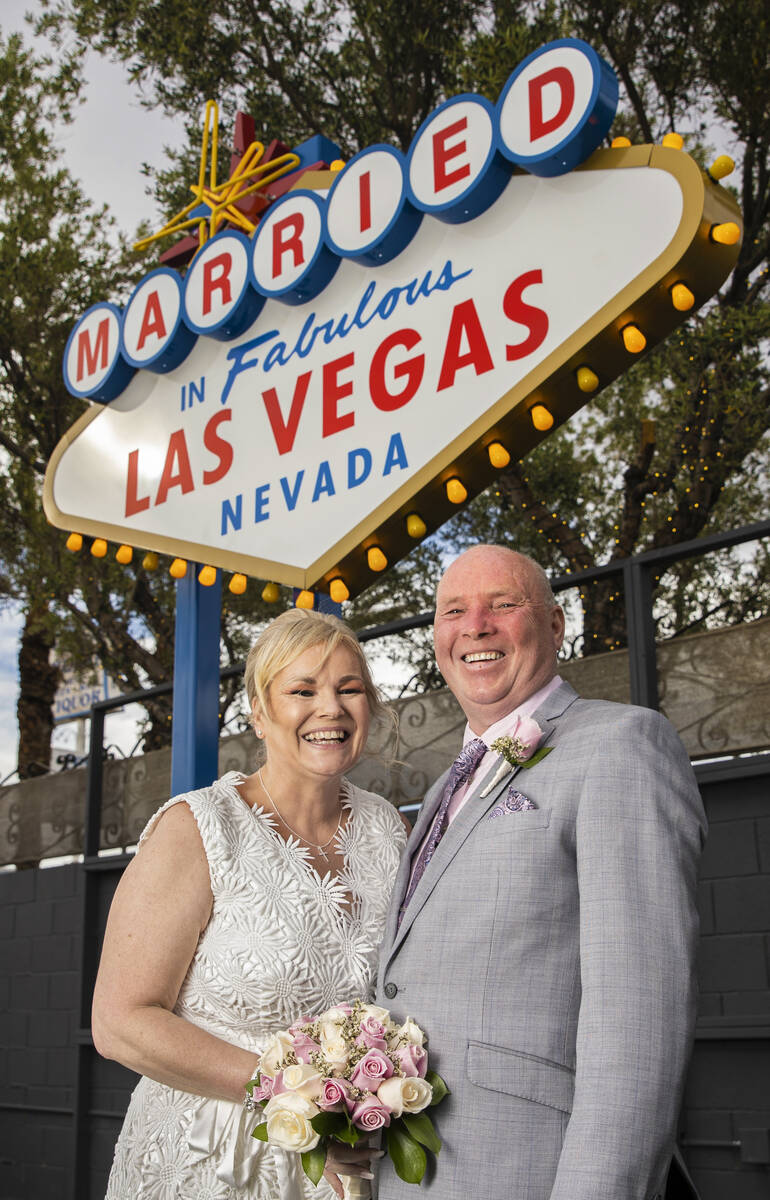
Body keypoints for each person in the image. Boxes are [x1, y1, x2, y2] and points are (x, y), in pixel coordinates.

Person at [376, 545, 706, 1200]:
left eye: (503, 604)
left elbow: (638, 1019)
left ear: (555, 627)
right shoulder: (446, 784)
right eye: (453, 611)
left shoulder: (621, 744)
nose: (475, 625)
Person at [94, 607, 408, 1200]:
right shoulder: (199, 828)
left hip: (348, 1169)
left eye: (349, 689)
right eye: (302, 690)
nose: (331, 709)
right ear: (260, 714)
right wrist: (303, 1096)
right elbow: (120, 1024)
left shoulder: (388, 831)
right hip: (210, 1158)